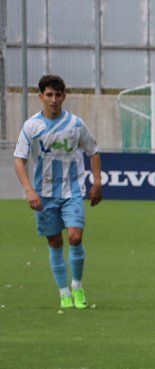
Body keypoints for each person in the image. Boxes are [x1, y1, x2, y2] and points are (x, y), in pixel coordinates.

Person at [13, 74, 102, 309]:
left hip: (72, 190)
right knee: (54, 242)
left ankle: (77, 286)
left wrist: (97, 182)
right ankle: (63, 292)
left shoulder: (75, 124)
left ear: (64, 96)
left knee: (75, 236)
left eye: (58, 95)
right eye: (49, 95)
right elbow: (19, 160)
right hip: (43, 193)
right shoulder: (32, 126)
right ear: (41, 97)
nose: (53, 99)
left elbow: (93, 151)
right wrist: (29, 191)